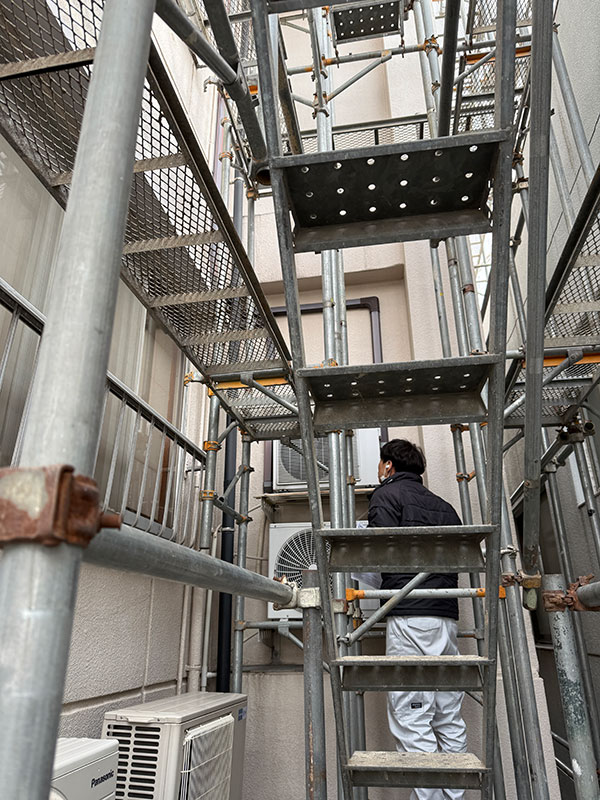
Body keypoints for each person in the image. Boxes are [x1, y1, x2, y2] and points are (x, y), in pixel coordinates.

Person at [368, 438, 467, 800]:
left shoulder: (386, 496)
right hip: (447, 618)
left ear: (388, 466)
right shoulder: (445, 507)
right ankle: (454, 796)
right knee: (447, 714)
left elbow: (377, 554)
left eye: (381, 464)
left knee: (411, 714)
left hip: (410, 617)